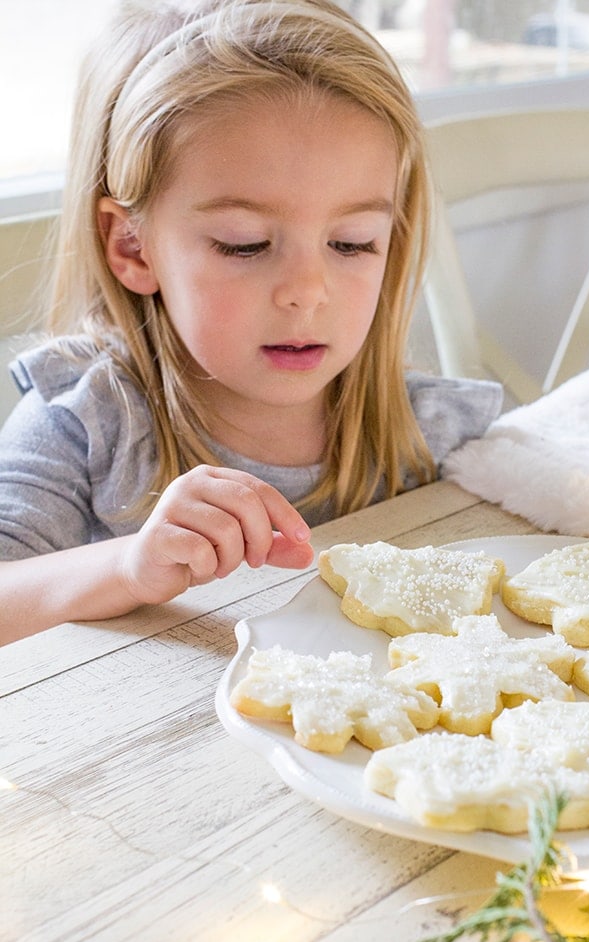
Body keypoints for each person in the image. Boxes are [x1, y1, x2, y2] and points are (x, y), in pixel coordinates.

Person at [0, 0, 503, 646]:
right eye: (243, 244)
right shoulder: (86, 424)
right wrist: (127, 568)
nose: (305, 293)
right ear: (132, 247)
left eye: (351, 243)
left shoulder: (430, 434)